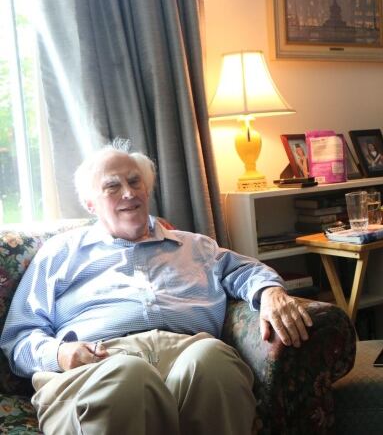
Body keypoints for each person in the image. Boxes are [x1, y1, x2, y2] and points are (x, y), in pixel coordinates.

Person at [0, 140, 313, 435]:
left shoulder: (195, 246)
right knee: (127, 378)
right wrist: (61, 353)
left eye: (135, 182)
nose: (128, 193)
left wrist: (271, 292)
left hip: (187, 351)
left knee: (213, 362)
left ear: (147, 188)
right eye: (112, 186)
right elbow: (19, 336)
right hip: (97, 366)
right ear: (90, 203)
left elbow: (245, 270)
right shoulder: (59, 253)